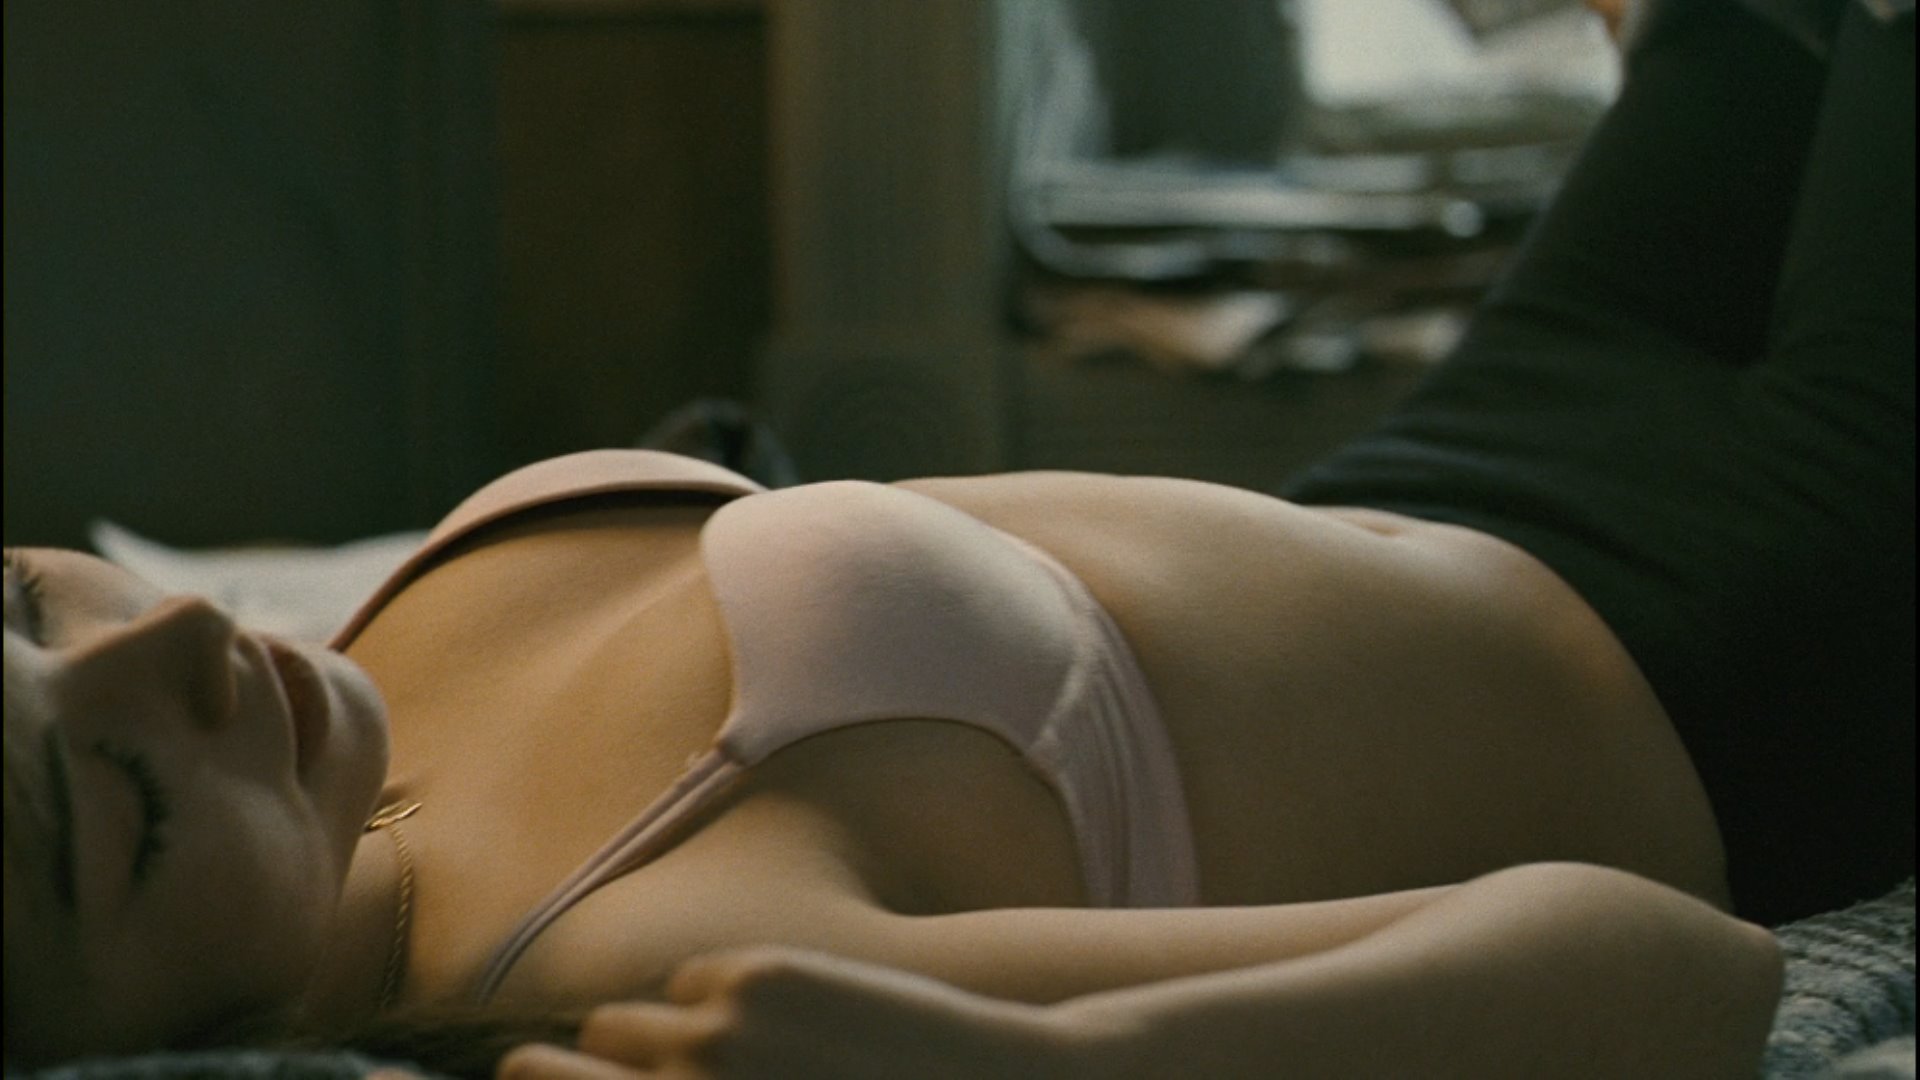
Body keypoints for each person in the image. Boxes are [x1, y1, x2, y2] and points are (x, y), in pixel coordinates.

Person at [2, 1, 1908, 1077]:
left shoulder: (326, 731)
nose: (172, 646)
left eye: (24, 606)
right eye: (114, 798)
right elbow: (1687, 974)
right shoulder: (658, 972)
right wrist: (1062, 1067)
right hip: (1764, 627)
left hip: (1498, 446)